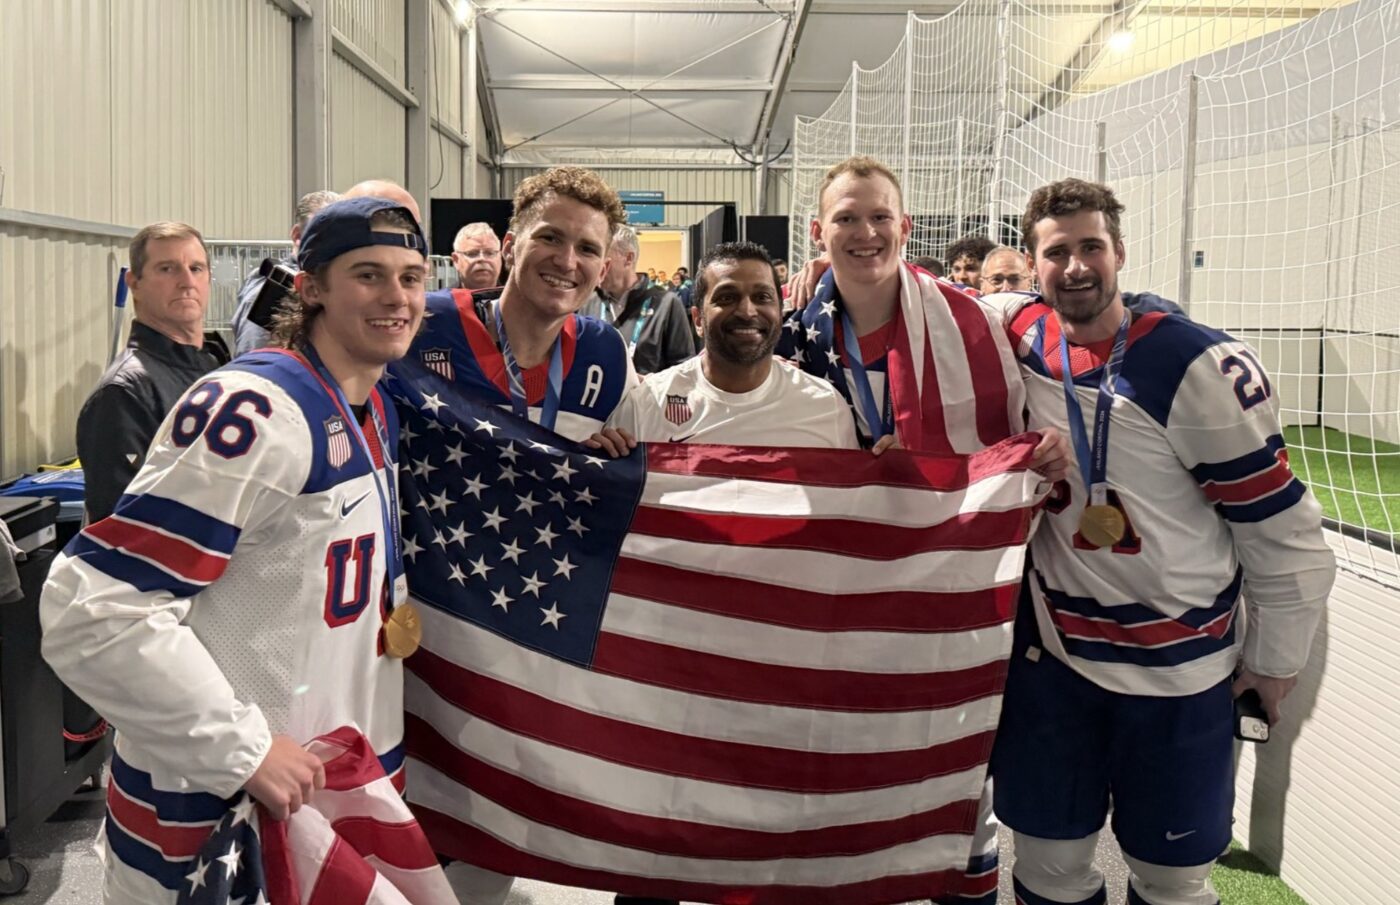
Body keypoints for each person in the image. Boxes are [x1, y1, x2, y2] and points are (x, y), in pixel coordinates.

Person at [41, 196, 440, 903]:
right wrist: (242, 748)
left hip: (327, 785)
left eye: (411, 278)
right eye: (368, 275)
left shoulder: (374, 404)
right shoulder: (253, 406)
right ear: (310, 287)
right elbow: (94, 609)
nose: (396, 297)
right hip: (225, 807)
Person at [993, 178, 1335, 905]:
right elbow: (938, 302)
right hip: (1057, 660)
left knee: (1174, 880)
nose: (1076, 266)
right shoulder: (1018, 333)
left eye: (1091, 246)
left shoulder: (1194, 364)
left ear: (1120, 252)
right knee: (1048, 866)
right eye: (1056, 252)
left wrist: (1274, 664)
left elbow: (1283, 535)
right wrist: (826, 276)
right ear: (1033, 263)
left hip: (1182, 670)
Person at [776, 155, 1065, 905]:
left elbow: (1059, 306)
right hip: (835, 587)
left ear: (905, 227)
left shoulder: (978, 321)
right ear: (817, 233)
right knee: (838, 766)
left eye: (880, 217)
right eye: (846, 218)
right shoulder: (790, 332)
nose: (865, 232)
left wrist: (1035, 454)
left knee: (955, 769)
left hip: (944, 580)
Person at [395, 166, 636, 905]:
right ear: (509, 245)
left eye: (587, 248)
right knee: (403, 808)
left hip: (521, 621)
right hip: (413, 612)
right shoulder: (424, 325)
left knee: (487, 816)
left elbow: (636, 476)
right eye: (550, 238)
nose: (568, 260)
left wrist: (611, 461)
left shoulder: (604, 353)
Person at [594, 241, 858, 452]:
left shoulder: (826, 407)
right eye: (727, 297)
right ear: (698, 319)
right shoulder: (645, 405)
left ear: (780, 313)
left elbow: (851, 499)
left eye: (762, 297)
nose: (747, 311)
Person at [77, 222, 226, 523]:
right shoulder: (124, 393)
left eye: (196, 268)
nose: (186, 282)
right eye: (167, 269)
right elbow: (120, 525)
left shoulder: (216, 367)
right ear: (134, 283)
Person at [230, 190, 340, 355]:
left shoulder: (335, 283)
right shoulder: (270, 291)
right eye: (324, 236)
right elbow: (253, 355)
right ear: (297, 235)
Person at [598, 225, 695, 375]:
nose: (596, 264)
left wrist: (648, 383)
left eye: (602, 255)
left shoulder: (667, 303)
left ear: (628, 259)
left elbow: (684, 370)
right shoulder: (587, 301)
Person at [450, 221, 503, 290]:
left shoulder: (514, 296)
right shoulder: (443, 297)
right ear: (456, 260)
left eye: (490, 253)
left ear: (500, 257)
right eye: (472, 254)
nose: (482, 259)